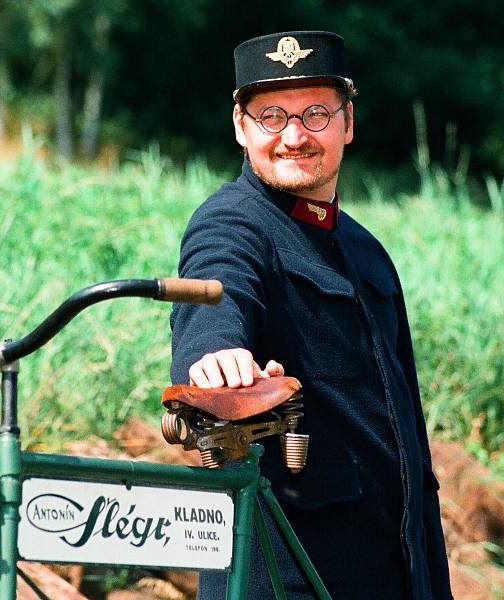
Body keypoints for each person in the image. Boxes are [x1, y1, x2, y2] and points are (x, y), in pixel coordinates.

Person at [170, 31, 453, 599]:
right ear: (240, 127)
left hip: (399, 576)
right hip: (287, 579)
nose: (294, 136)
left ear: (347, 123)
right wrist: (216, 356)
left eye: (316, 113)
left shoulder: (367, 250)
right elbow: (216, 290)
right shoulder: (233, 222)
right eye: (271, 115)